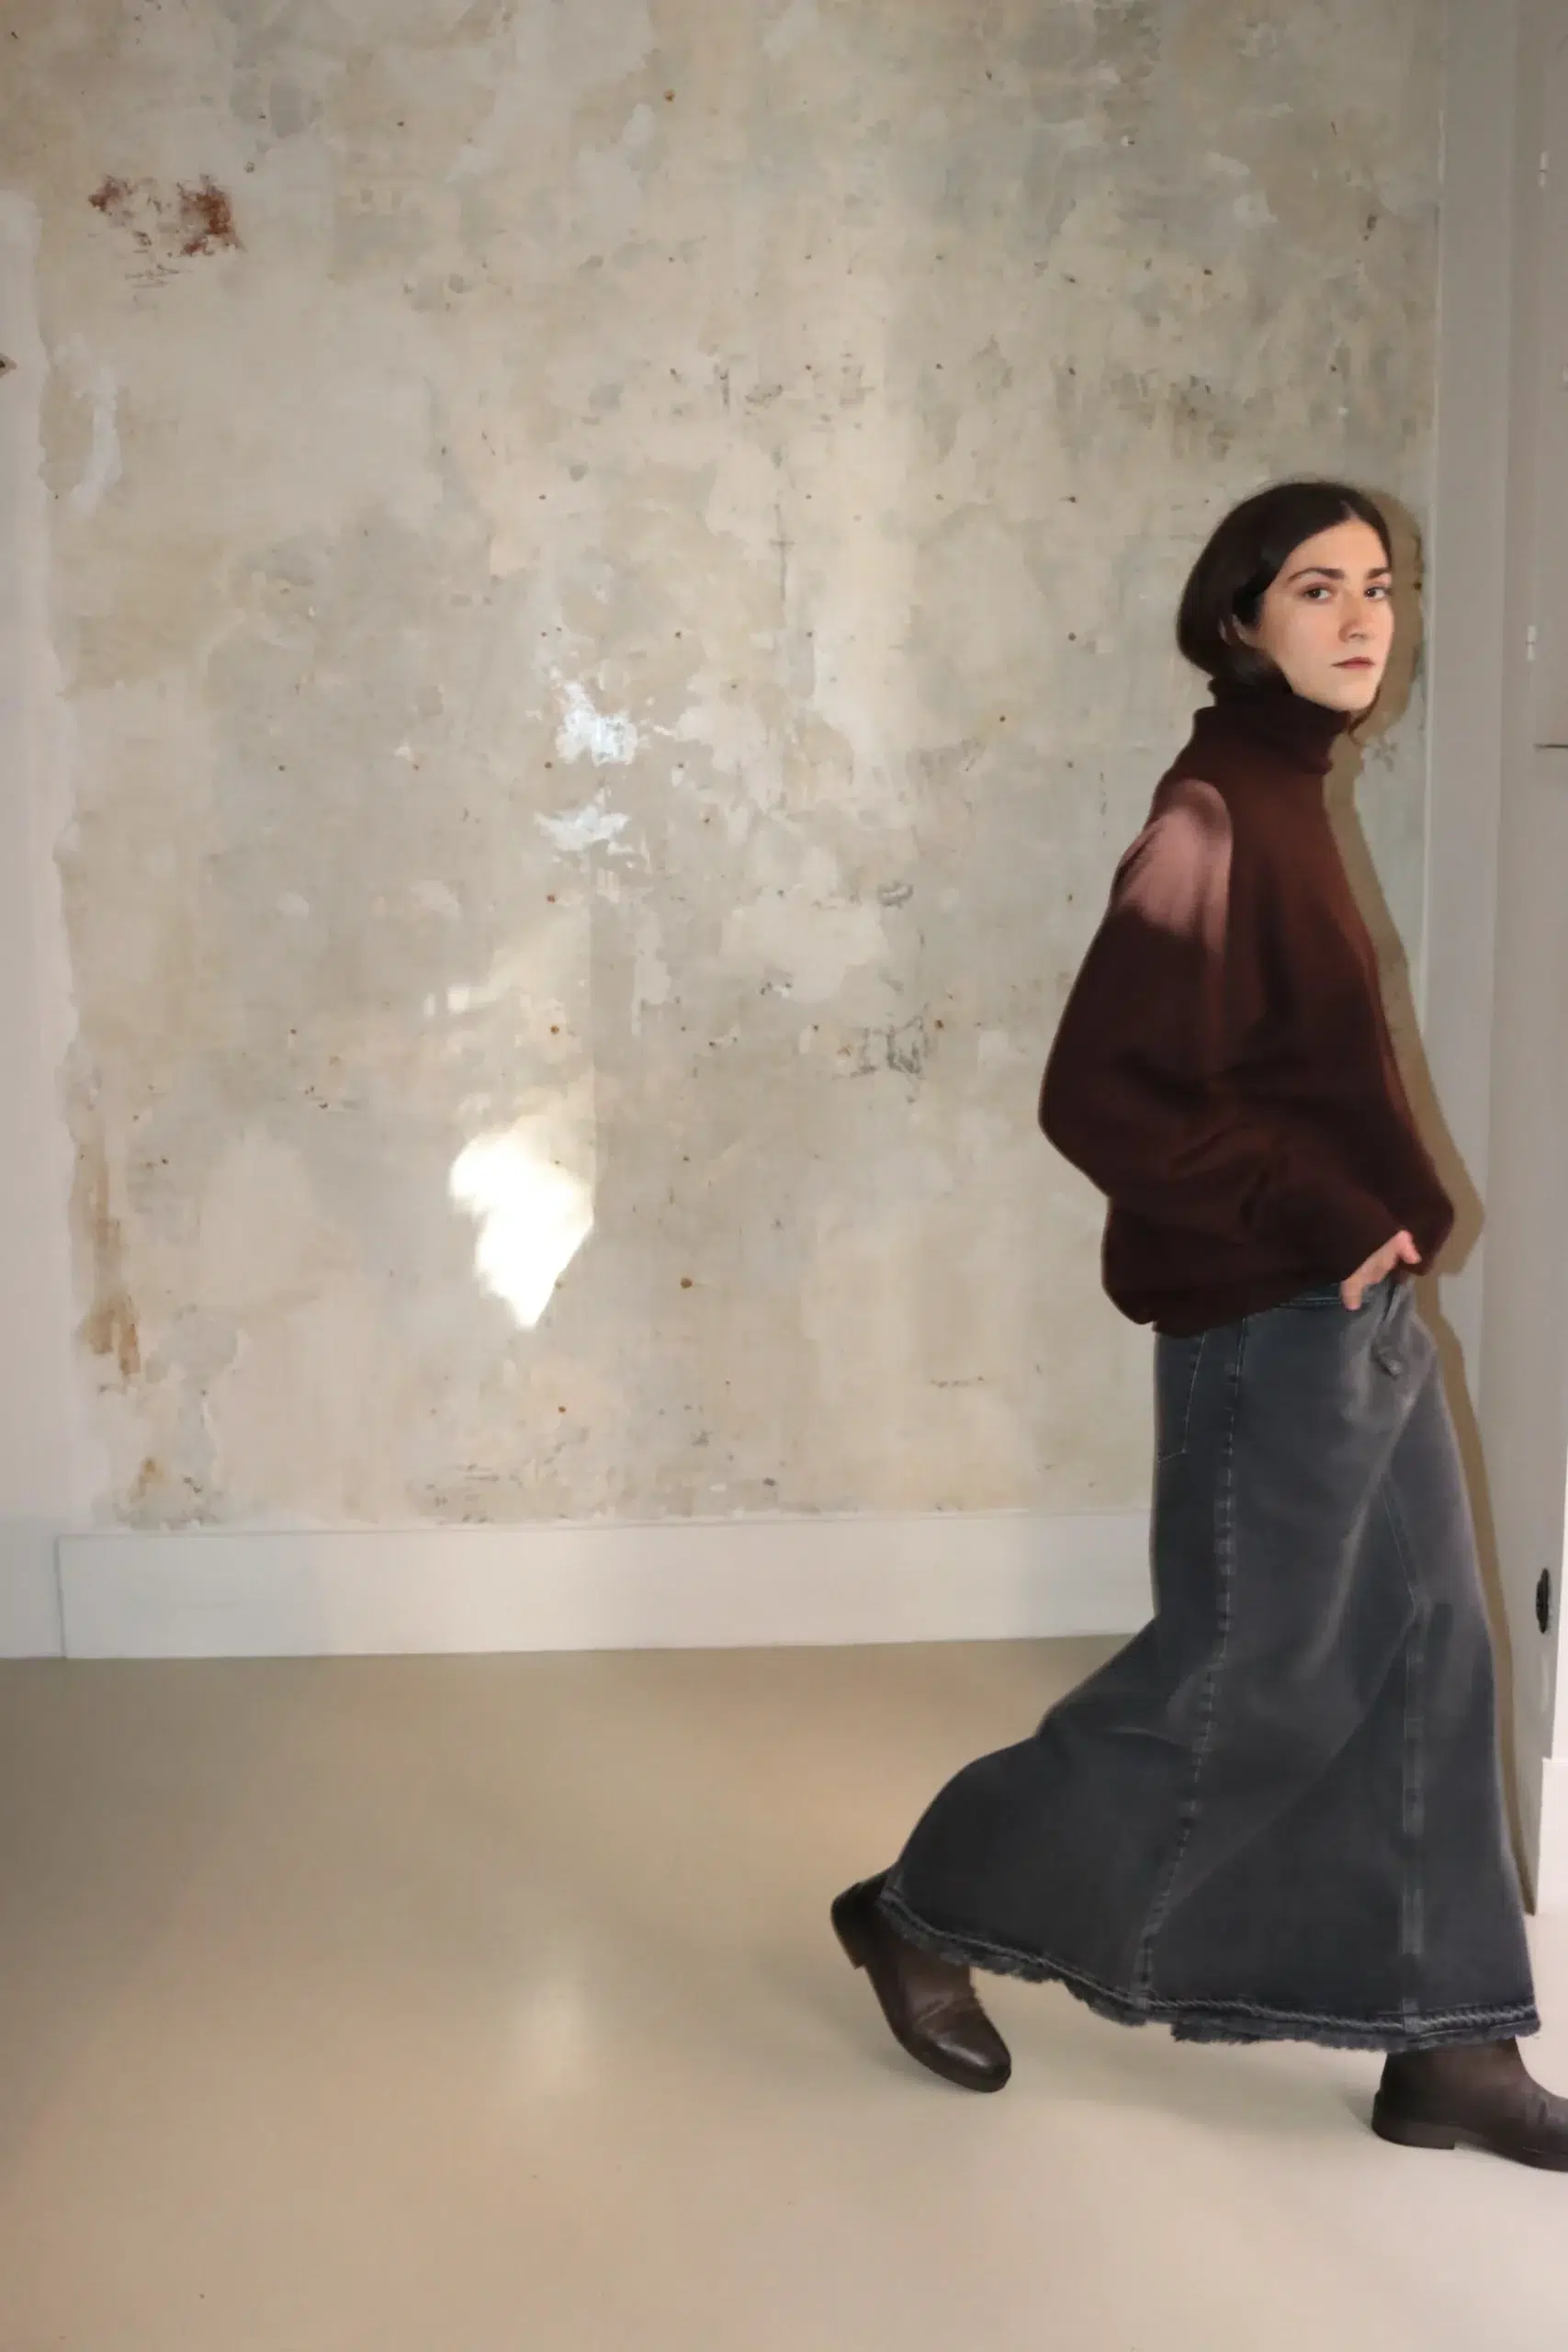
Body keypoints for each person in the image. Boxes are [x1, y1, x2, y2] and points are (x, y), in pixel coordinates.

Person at [832, 480, 1568, 2169]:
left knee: (1433, 1659)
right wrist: (1321, 1214)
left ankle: (1448, 2049)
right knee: (1245, 1684)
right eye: (1316, 589)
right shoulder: (1212, 817)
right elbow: (1098, 1094)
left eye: (1378, 585)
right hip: (1268, 1323)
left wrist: (1361, 1230)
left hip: (1352, 1310)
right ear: (1236, 620)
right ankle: (917, 1907)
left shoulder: (1288, 790)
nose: (1362, 619)